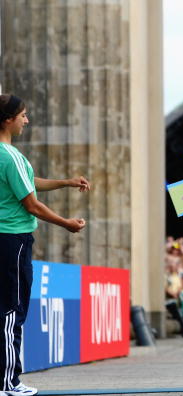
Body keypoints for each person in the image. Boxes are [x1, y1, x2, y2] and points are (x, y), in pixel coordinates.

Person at [0, 94, 88, 396]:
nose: (26, 120)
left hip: (7, 239)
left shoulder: (8, 155)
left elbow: (29, 181)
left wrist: (66, 182)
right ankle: (8, 382)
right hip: (13, 238)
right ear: (8, 119)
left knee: (7, 309)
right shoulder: (8, 155)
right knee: (12, 310)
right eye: (23, 115)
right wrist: (67, 223)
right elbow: (32, 204)